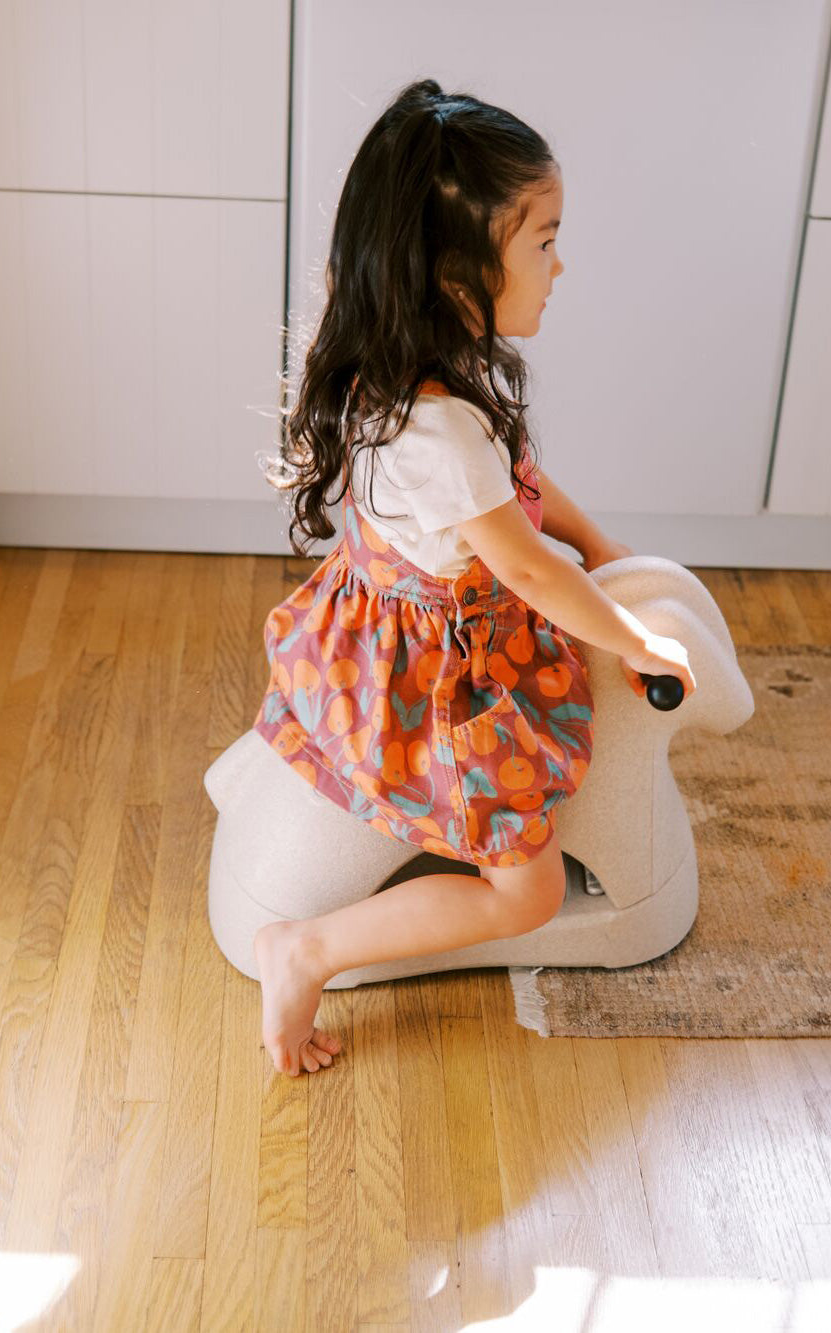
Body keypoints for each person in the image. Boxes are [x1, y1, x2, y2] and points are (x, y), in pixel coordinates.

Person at [249, 78, 697, 1077]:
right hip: (434, 677)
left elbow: (526, 491)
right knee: (525, 891)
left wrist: (608, 549)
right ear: (459, 271)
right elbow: (528, 563)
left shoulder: (423, 359)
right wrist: (636, 640)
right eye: (542, 240)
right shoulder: (438, 427)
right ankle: (306, 945)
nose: (560, 262)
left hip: (418, 612)